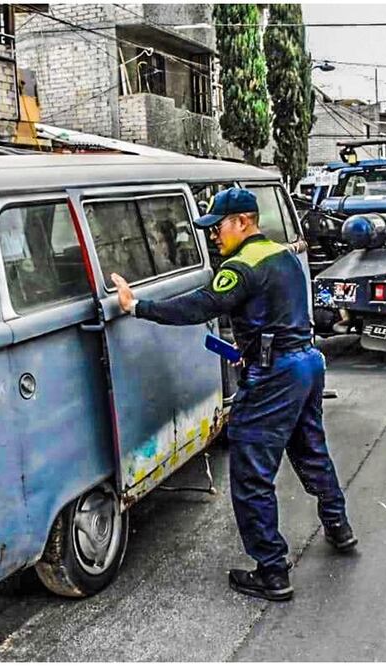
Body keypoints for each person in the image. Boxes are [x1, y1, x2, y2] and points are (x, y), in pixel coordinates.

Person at [109, 187, 355, 602]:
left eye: (218, 227)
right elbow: (280, 314)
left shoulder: (240, 267)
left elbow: (200, 306)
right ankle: (339, 526)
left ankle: (273, 573)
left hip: (276, 374)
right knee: (310, 448)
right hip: (307, 363)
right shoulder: (283, 255)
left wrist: (138, 306)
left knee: (251, 472)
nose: (213, 236)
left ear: (243, 221)